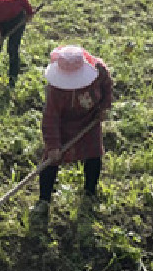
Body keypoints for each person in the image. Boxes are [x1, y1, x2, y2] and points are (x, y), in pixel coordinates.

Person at [32, 45, 114, 218]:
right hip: (63, 124)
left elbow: (107, 87)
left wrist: (104, 108)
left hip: (90, 120)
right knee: (50, 161)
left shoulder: (98, 70)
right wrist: (53, 146)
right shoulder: (55, 90)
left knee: (93, 155)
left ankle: (90, 193)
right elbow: (50, 118)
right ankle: (44, 200)